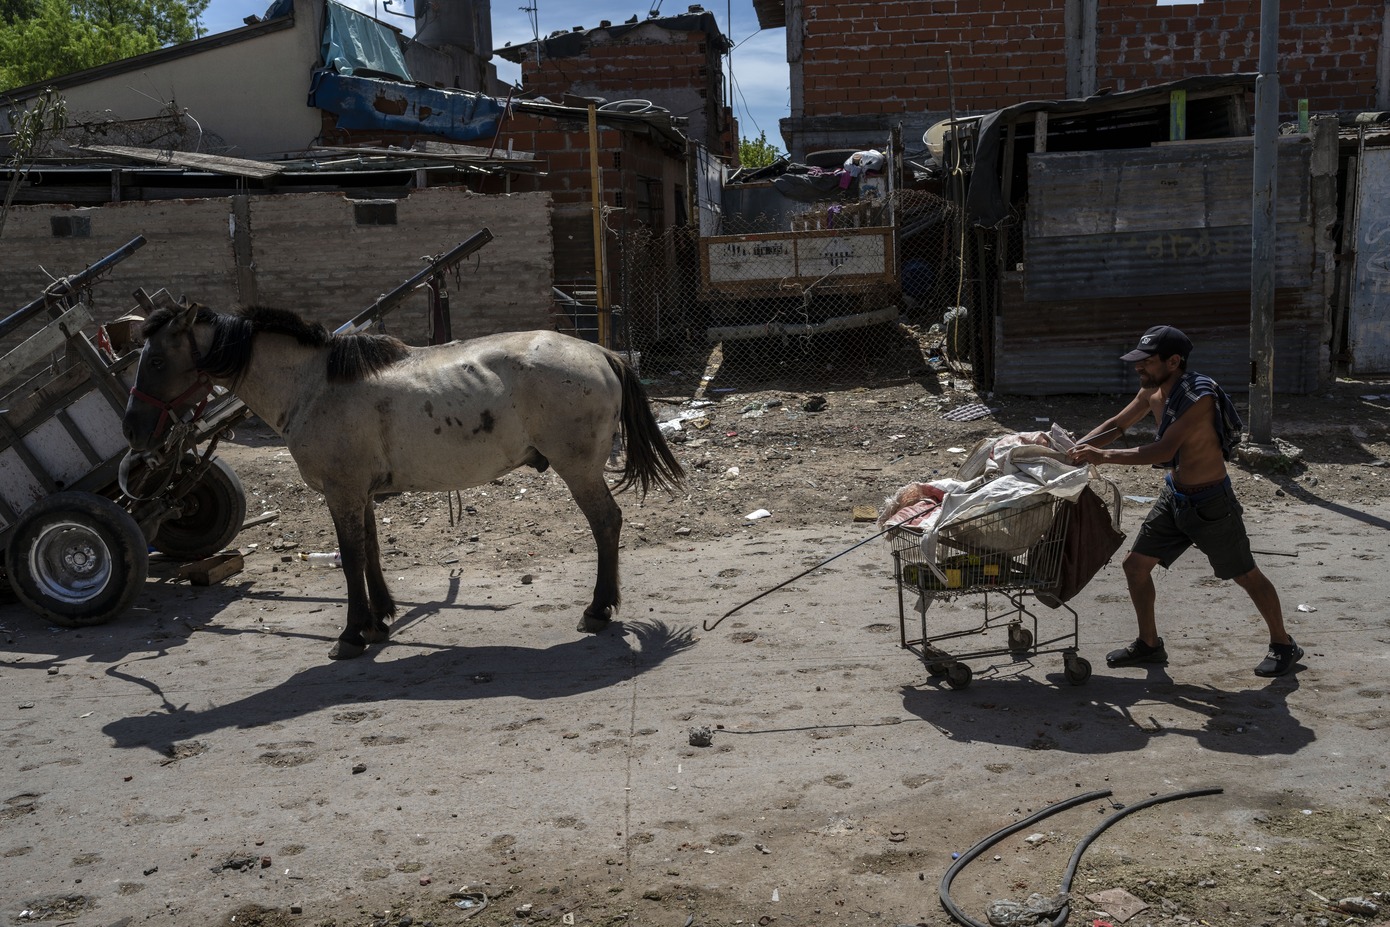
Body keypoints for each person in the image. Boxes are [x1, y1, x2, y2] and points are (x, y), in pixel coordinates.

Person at [1067, 325, 1304, 678]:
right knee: (1135, 567)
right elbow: (1117, 424)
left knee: (1245, 574)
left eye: (1146, 363)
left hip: (1211, 503)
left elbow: (1163, 450)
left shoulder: (1198, 396)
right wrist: (1072, 450)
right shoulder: (1153, 391)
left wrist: (1100, 456)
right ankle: (1149, 644)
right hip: (1174, 497)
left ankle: (1284, 644)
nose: (1138, 369)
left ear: (1174, 361)